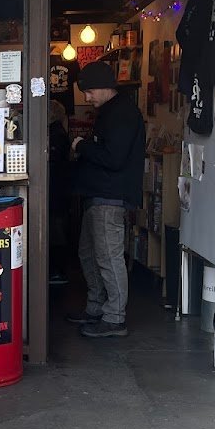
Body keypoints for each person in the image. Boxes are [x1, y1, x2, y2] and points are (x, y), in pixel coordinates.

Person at [66, 60, 145, 338]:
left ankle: (114, 317)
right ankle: (96, 307)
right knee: (89, 254)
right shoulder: (111, 112)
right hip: (98, 195)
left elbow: (113, 158)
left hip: (110, 196)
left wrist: (82, 146)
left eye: (88, 91)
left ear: (103, 86)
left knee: (109, 258)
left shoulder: (123, 113)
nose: (87, 98)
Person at [48, 100, 72, 285]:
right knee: (57, 228)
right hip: (60, 188)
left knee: (55, 230)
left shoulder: (55, 134)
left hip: (54, 188)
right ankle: (57, 270)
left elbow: (54, 162)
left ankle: (56, 271)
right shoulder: (60, 132)